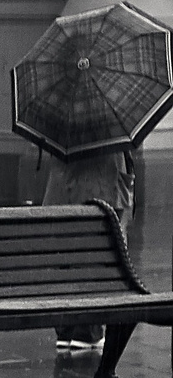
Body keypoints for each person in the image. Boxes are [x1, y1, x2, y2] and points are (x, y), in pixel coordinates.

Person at [38, 146, 138, 350]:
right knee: (95, 259)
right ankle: (87, 331)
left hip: (61, 193)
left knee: (66, 259)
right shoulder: (107, 123)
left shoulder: (62, 123)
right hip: (100, 191)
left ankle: (66, 329)